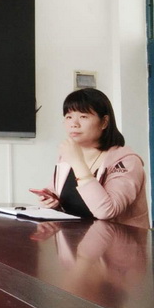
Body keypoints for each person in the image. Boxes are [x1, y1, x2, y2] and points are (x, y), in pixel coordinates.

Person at [32, 88, 149, 229]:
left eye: (83, 116)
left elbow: (107, 211)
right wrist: (53, 202)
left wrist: (77, 162)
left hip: (117, 241)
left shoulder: (127, 162)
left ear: (104, 122)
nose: (74, 123)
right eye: (68, 117)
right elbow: (61, 197)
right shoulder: (67, 156)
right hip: (74, 239)